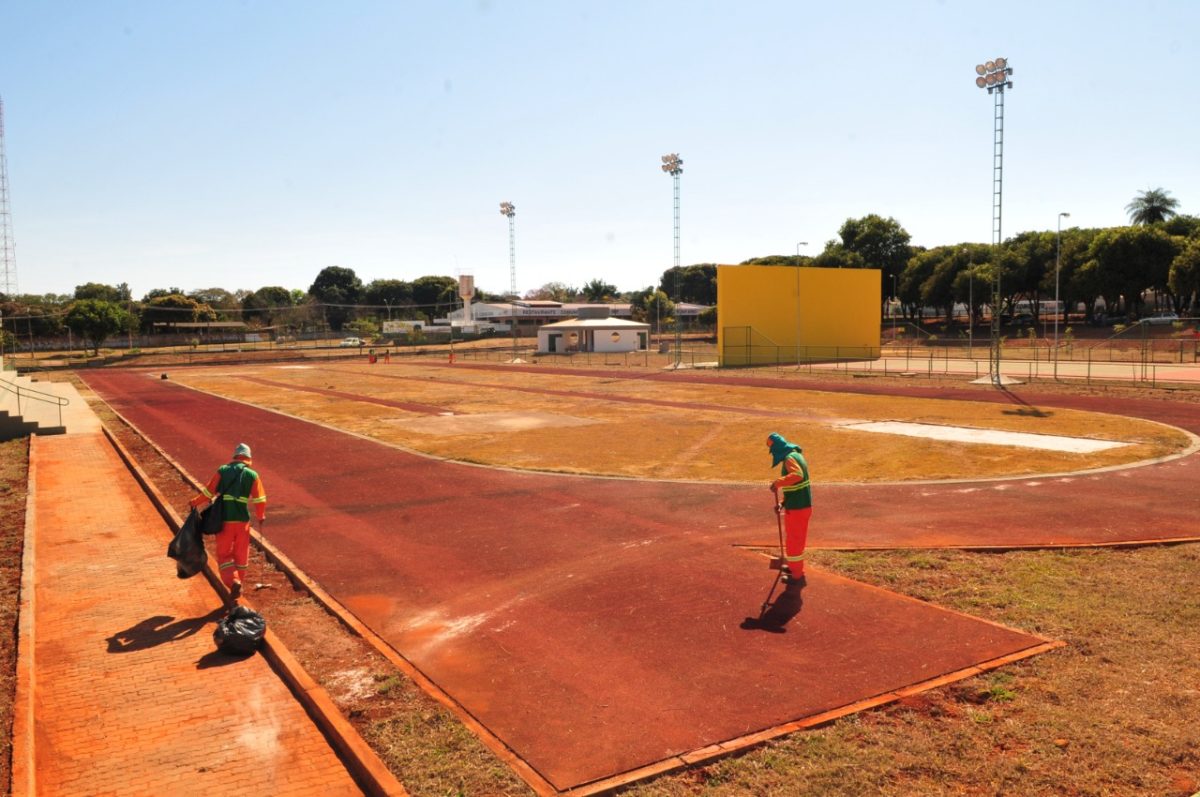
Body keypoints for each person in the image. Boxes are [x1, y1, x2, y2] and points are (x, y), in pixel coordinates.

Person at [190, 443, 267, 605]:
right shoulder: (252, 475)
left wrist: (195, 502)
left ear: (235, 456)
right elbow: (260, 499)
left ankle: (233, 582)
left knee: (224, 555)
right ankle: (240, 584)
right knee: (241, 554)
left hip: (224, 521)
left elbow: (209, 491)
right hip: (242, 522)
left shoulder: (223, 470)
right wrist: (261, 515)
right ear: (248, 458)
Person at [767, 432, 811, 587]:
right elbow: (795, 487)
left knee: (794, 542)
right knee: (794, 540)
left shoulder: (789, 458)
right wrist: (783, 503)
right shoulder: (796, 455)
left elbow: (797, 475)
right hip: (797, 505)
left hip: (799, 508)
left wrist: (778, 482)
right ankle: (794, 568)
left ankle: (797, 575)